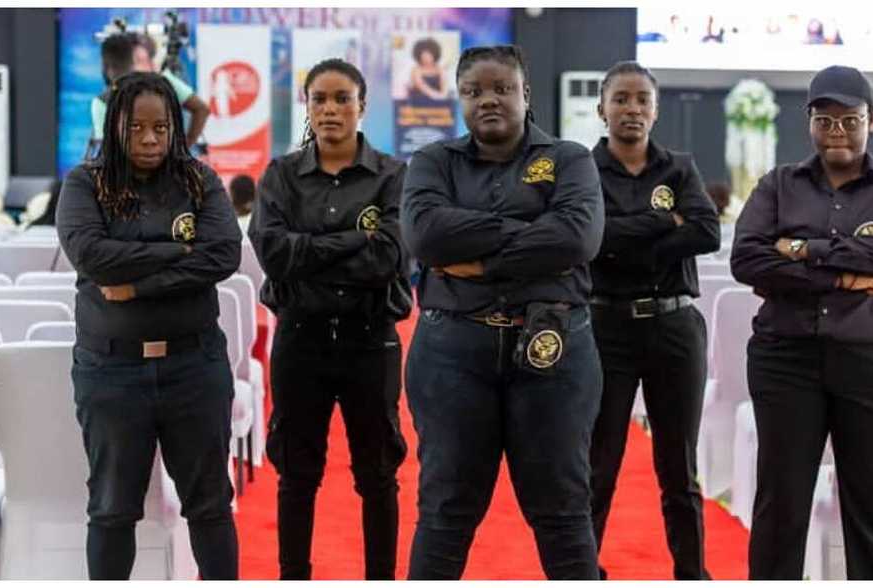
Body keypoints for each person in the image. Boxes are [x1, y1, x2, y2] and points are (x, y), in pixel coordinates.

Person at [400, 44, 605, 580]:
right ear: (459, 98)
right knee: (445, 509)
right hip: (451, 356)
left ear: (525, 94)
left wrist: (478, 262)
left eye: (501, 89)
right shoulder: (431, 162)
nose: (488, 100)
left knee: (563, 509)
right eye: (473, 91)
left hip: (553, 352)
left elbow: (578, 237)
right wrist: (532, 242)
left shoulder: (570, 159)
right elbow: (425, 234)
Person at [730, 65, 873, 580]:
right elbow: (748, 260)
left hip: (872, 360)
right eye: (826, 119)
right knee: (781, 506)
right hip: (786, 361)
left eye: (850, 119)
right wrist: (845, 277)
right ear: (810, 122)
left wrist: (802, 251)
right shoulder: (778, 185)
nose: (837, 131)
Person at [56, 71, 242, 580]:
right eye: (137, 127)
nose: (150, 138)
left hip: (194, 366)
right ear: (115, 124)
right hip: (111, 372)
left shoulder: (198, 180)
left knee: (209, 505)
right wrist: (176, 250)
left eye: (161, 127)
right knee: (113, 509)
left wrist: (137, 284)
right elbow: (92, 257)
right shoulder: (85, 183)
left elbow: (223, 254)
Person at [248, 58, 410, 581]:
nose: (330, 109)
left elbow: (388, 257)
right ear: (308, 106)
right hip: (301, 342)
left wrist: (310, 248)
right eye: (319, 98)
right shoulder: (280, 176)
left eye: (342, 98)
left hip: (371, 342)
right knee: (297, 474)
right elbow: (274, 254)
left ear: (362, 106)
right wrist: (353, 244)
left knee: (378, 475)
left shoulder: (392, 175)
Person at [586, 61, 720, 581]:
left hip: (674, 329)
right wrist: (665, 223)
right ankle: (582, 569)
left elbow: (707, 232)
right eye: (621, 99)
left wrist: (625, 241)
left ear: (655, 109)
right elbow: (590, 240)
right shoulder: (583, 169)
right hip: (606, 330)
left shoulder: (679, 167)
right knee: (599, 462)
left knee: (679, 468)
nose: (632, 109)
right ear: (602, 108)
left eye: (642, 99)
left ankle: (692, 572)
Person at [91, 33, 209, 150]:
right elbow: (105, 150)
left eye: (148, 60)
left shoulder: (164, 80)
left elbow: (201, 109)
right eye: (140, 61)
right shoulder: (103, 102)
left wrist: (183, 148)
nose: (151, 66)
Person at [407, 37, 448, 103]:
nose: (426, 58)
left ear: (434, 55)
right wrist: (438, 96)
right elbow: (422, 86)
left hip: (437, 101)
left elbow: (444, 89)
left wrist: (442, 96)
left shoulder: (440, 69)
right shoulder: (416, 70)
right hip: (419, 101)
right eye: (423, 55)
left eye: (428, 55)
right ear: (419, 56)